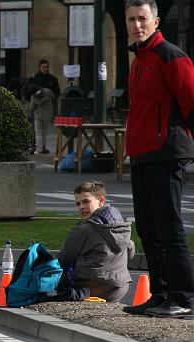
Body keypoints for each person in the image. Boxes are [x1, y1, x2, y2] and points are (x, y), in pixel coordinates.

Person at [122, 0, 194, 317]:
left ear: (155, 20)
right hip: (141, 155)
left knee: (170, 230)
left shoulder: (171, 56)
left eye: (142, 18)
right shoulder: (138, 61)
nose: (137, 24)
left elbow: (191, 103)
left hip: (165, 153)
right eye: (131, 19)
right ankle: (161, 294)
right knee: (148, 229)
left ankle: (184, 298)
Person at [55, 181, 135, 302]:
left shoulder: (85, 229)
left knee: (61, 270)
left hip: (91, 287)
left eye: (86, 201)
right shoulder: (121, 226)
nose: (81, 207)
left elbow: (63, 259)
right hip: (120, 288)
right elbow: (131, 250)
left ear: (101, 201)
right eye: (78, 203)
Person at [28, 86, 54, 154]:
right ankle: (43, 147)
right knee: (44, 133)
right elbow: (53, 96)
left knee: (38, 133)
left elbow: (31, 108)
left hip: (38, 115)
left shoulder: (33, 97)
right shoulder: (48, 91)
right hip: (48, 114)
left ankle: (39, 149)